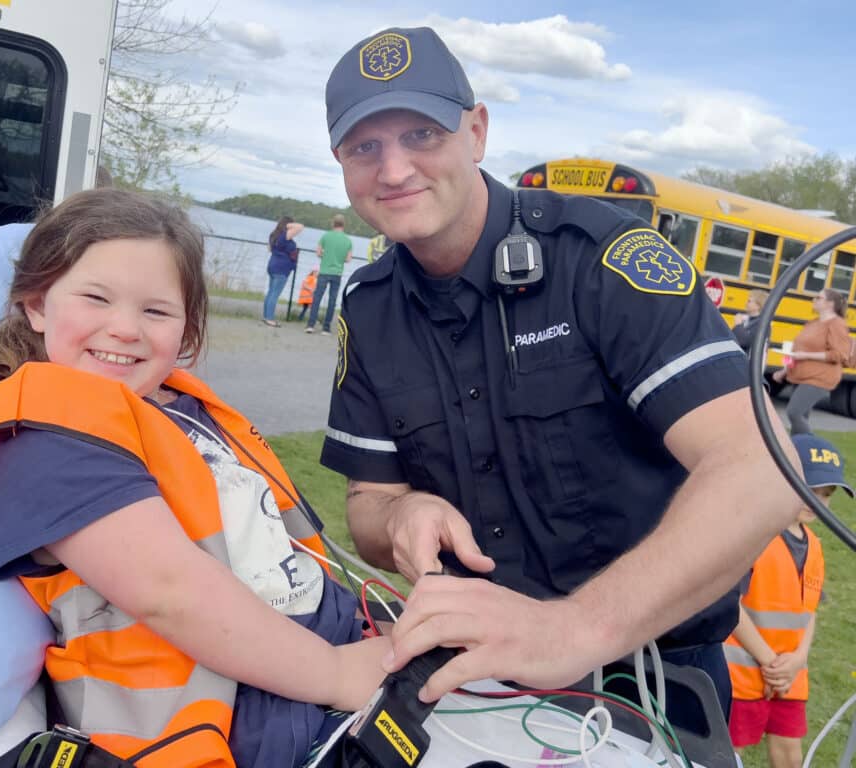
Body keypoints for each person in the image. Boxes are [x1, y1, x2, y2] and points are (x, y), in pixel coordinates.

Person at [318, 25, 800, 724]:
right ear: (340, 161)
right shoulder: (367, 309)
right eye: (365, 147)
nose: (393, 170)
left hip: (650, 679)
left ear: (476, 132)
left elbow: (762, 465)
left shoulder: (601, 260)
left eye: (421, 134)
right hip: (469, 677)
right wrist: (400, 513)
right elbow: (368, 499)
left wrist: (576, 630)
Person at [0, 189, 388, 768]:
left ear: (185, 329)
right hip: (234, 727)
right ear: (36, 305)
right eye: (96, 298)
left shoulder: (175, 409)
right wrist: (335, 676)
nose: (126, 328)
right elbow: (168, 592)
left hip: (323, 662)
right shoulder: (42, 443)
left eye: (156, 311)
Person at [725, 433, 849, 767]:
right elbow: (727, 606)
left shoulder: (816, 548)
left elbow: (808, 612)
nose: (816, 501)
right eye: (808, 489)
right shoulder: (753, 536)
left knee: (788, 753)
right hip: (742, 674)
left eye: (826, 494)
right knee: (725, 755)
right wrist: (768, 661)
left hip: (789, 675)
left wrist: (797, 659)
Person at [771, 288, 850, 434]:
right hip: (800, 375)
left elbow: (839, 355)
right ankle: (798, 449)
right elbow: (795, 351)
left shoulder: (836, 324)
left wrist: (807, 355)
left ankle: (811, 446)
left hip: (819, 378)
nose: (813, 300)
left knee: (794, 412)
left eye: (818, 298)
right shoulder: (812, 323)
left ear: (829, 304)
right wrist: (784, 371)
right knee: (801, 417)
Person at [305, 214, 352, 335]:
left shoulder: (326, 236)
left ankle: (310, 325)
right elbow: (348, 259)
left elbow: (318, 253)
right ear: (343, 224)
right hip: (337, 273)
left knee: (317, 298)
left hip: (324, 271)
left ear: (333, 223)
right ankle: (326, 328)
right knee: (332, 300)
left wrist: (325, 255)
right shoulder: (347, 240)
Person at [263, 215, 304, 327]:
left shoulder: (274, 235)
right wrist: (288, 226)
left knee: (271, 292)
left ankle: (266, 316)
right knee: (274, 294)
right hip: (281, 269)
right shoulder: (284, 235)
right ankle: (270, 319)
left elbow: (269, 249)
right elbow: (300, 227)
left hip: (272, 265)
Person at [732, 288, 769, 353]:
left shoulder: (762, 324)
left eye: (749, 301)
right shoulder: (748, 320)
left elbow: (744, 341)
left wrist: (738, 325)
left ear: (758, 305)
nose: (746, 303)